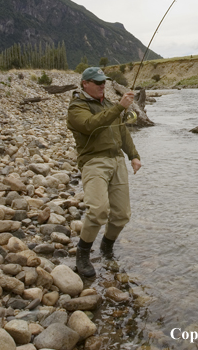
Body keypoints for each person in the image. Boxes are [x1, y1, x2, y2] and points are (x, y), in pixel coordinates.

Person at [67, 66, 142, 277]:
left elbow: (122, 130)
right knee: (99, 210)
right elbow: (90, 125)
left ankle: (106, 247)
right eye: (98, 82)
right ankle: (82, 254)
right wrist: (119, 107)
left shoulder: (108, 104)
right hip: (93, 161)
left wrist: (134, 156)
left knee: (121, 215)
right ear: (85, 84)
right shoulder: (76, 107)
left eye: (104, 82)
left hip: (117, 160)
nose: (102, 86)